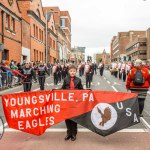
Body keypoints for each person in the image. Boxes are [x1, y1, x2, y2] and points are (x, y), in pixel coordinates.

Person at [61, 65, 83, 141]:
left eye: (74, 71)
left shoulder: (79, 80)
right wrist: (56, 91)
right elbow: (63, 88)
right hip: (67, 102)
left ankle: (74, 134)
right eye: (71, 71)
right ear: (68, 72)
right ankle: (68, 133)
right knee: (67, 118)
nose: (72, 72)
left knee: (74, 118)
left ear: (76, 71)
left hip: (75, 103)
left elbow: (81, 90)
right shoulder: (66, 79)